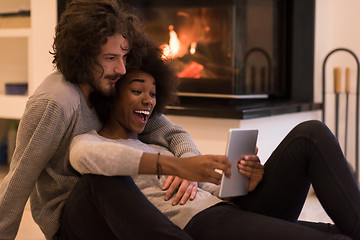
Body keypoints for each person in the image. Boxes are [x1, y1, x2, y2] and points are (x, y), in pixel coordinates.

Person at [69, 44, 360, 240]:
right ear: (112, 96)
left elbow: (211, 191)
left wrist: (245, 182)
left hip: (230, 210)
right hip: (201, 225)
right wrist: (176, 167)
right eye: (137, 90)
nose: (148, 99)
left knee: (311, 133)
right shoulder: (91, 143)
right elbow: (84, 157)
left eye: (154, 93)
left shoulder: (159, 142)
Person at [0, 0, 215, 239]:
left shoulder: (108, 84)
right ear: (82, 55)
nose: (122, 69)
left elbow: (170, 132)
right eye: (111, 58)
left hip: (118, 211)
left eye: (123, 56)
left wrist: (188, 164)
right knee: (102, 175)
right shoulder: (54, 103)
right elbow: (17, 184)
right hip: (74, 217)